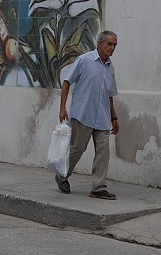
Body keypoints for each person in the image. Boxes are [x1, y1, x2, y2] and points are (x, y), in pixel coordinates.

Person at [55, 30, 119, 199]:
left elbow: (109, 94)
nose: (112, 48)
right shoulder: (84, 60)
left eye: (114, 45)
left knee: (103, 152)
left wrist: (114, 117)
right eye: (109, 44)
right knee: (77, 149)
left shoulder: (110, 68)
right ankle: (62, 175)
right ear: (99, 43)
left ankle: (98, 187)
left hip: (103, 117)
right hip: (83, 114)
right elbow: (67, 82)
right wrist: (62, 108)